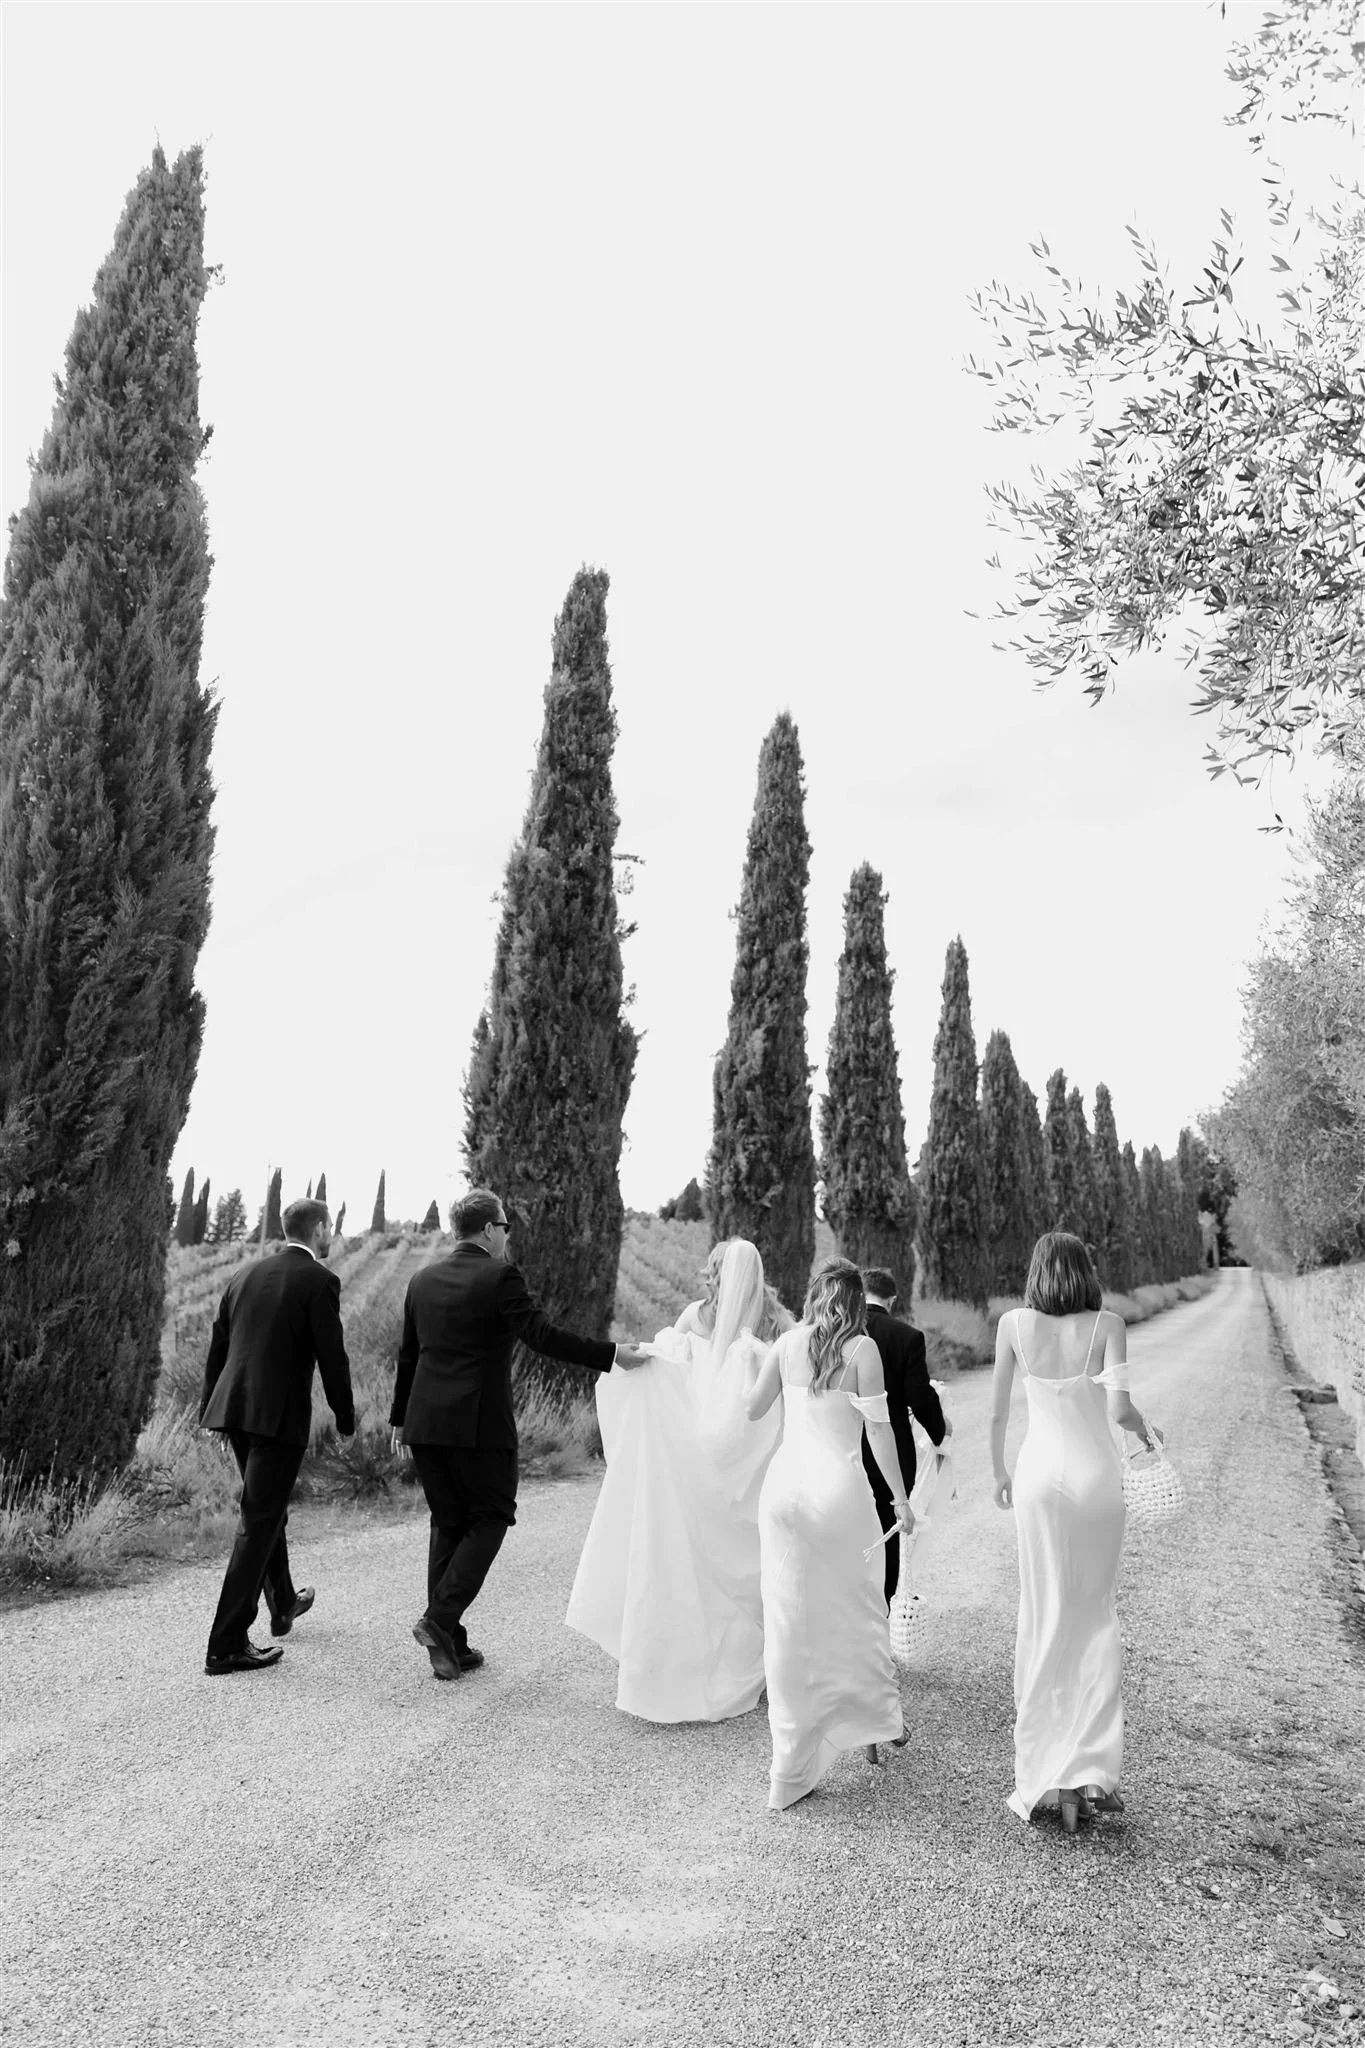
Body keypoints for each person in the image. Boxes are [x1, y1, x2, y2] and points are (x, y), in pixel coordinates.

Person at [389, 1187, 650, 1681]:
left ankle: (451, 1642)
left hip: (424, 1424)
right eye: (505, 1227)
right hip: (478, 1423)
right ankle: (439, 1620)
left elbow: (408, 1354)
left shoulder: (421, 1279)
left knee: (448, 1524)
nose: (507, 1236)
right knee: (490, 1516)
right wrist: (613, 1355)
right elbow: (542, 1336)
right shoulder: (498, 1275)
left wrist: (400, 1419)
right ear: (489, 1229)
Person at [566, 1237, 790, 1721]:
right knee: (752, 1549)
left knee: (699, 1552)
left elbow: (670, 1369)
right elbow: (793, 1373)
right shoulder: (775, 1322)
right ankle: (761, 1652)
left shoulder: (694, 1317)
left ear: (714, 1272)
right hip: (752, 1453)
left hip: (698, 1449)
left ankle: (700, 1650)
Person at [991, 1230, 1154, 1831]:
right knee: (1093, 1614)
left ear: (1036, 1270)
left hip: (1036, 1479)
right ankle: (1088, 1771)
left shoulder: (1012, 1325)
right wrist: (1146, 1430)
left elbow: (999, 1411)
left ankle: (1044, 1775)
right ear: (1084, 1269)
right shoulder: (1107, 1325)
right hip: (1094, 1482)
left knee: (1042, 1615)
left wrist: (997, 1472)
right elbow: (1118, 1410)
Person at [747, 1260, 913, 1811]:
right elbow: (880, 1430)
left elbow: (752, 1410)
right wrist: (900, 1499)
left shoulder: (785, 1344)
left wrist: (748, 1357)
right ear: (858, 1299)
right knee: (858, 1609)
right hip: (839, 1495)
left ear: (813, 1296)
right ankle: (871, 1723)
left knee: (790, 1622)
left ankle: (790, 1766)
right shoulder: (863, 1351)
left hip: (784, 1495)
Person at [200, 1196, 355, 1675]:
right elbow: (332, 1355)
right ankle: (225, 1644)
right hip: (277, 1419)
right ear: (320, 1229)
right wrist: (345, 1417)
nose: (333, 1237)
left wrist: (209, 1408)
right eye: (331, 1229)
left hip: (234, 1411)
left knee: (265, 1509)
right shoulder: (319, 1280)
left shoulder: (245, 1275)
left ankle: (283, 1600)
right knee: (259, 1520)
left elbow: (218, 1346)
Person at [860, 1267, 951, 1603]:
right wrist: (940, 1431)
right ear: (893, 1299)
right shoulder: (907, 1336)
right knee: (889, 1528)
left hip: (844, 1446)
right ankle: (885, 1605)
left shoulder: (840, 1332)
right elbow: (919, 1396)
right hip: (892, 1450)